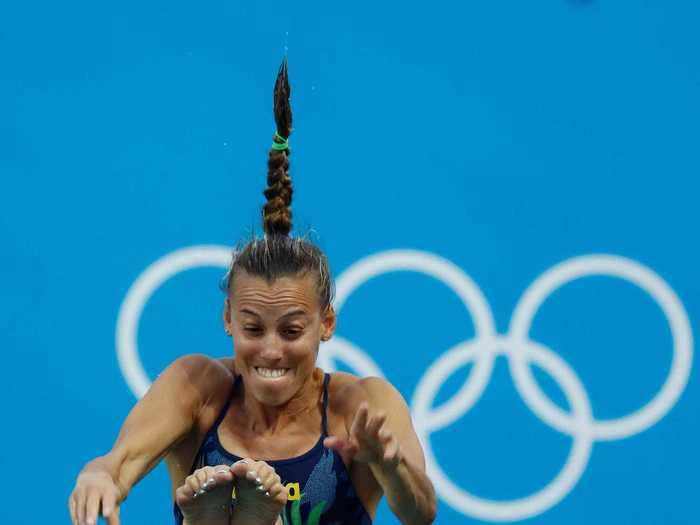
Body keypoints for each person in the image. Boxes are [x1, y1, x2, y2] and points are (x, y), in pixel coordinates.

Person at [68, 58, 437, 525]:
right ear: (227, 319)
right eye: (251, 327)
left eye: (291, 330)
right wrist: (99, 477)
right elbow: (115, 464)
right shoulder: (197, 387)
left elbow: (421, 512)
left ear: (326, 323)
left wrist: (390, 466)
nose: (270, 349)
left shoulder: (360, 405)